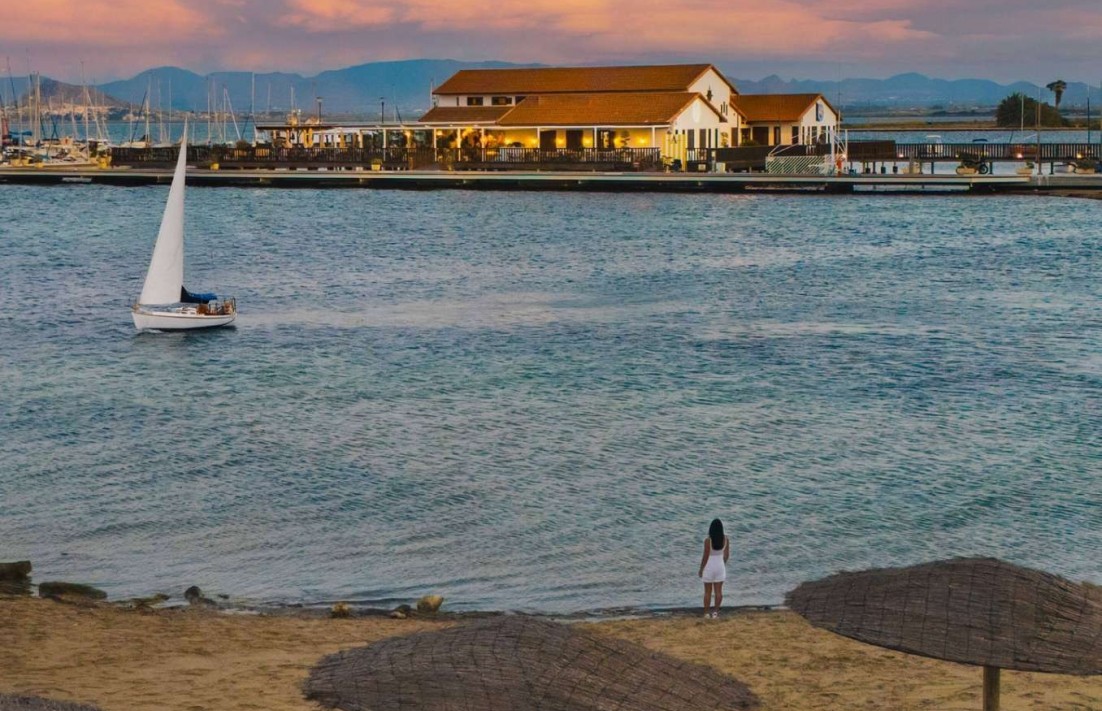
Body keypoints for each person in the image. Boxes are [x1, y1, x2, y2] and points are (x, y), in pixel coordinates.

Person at [698, 518, 729, 619]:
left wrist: (701, 569)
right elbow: (726, 555)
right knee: (718, 591)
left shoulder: (708, 541)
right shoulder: (726, 539)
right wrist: (723, 563)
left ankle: (706, 613)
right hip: (720, 567)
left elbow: (705, 556)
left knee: (707, 592)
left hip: (709, 567)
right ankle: (715, 612)